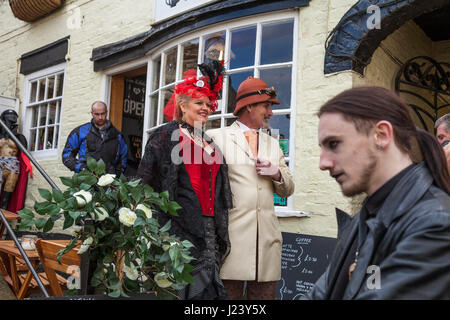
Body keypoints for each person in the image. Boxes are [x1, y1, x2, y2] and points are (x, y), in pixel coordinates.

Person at [305, 86, 450, 299]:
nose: (323, 163)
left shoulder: (435, 223)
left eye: (334, 144)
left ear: (381, 135)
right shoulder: (362, 218)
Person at [137, 61, 233, 300]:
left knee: (207, 287)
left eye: (208, 104)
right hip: (179, 228)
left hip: (210, 226)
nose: (206, 108)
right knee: (183, 288)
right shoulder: (164, 136)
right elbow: (144, 183)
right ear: (182, 105)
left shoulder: (208, 141)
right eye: (199, 103)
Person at [207, 77, 295, 300]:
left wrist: (275, 173)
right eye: (266, 106)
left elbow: (288, 188)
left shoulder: (273, 144)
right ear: (249, 106)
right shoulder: (217, 137)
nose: (271, 113)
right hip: (231, 242)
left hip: (267, 243)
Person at [62, 101, 128, 176]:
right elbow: (67, 155)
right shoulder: (80, 132)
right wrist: (81, 168)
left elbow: (123, 160)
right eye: (97, 114)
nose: (100, 117)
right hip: (86, 179)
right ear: (92, 113)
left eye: (103, 114)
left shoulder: (118, 135)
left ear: (106, 112)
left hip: (109, 182)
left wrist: (116, 175)